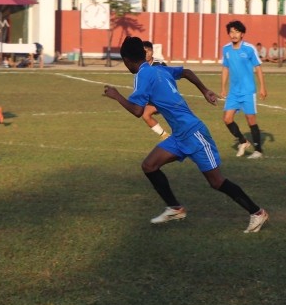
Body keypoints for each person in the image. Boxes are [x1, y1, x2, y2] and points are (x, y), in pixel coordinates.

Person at [102, 36, 269, 233]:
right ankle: (175, 208)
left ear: (127, 60)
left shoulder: (142, 75)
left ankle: (257, 212)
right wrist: (204, 90)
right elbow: (186, 72)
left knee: (216, 181)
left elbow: (138, 111)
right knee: (149, 166)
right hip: (180, 135)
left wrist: (117, 96)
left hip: (193, 133)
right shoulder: (158, 68)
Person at [220, 20, 267, 159]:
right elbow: (225, 68)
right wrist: (223, 87)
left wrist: (262, 87)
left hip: (248, 91)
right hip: (234, 92)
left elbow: (258, 68)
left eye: (237, 32)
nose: (234, 34)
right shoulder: (226, 49)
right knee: (227, 119)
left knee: (250, 119)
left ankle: (258, 150)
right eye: (231, 32)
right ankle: (243, 141)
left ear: (242, 34)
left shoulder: (249, 48)